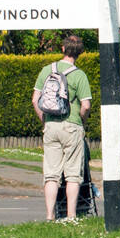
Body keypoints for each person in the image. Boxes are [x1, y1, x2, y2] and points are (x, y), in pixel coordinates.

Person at [33, 35, 92, 221]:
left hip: (51, 125)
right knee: (73, 174)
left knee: (51, 174)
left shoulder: (46, 70)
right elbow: (86, 105)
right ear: (80, 53)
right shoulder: (79, 75)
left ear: (62, 49)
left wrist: (44, 120)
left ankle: (50, 216)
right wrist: (82, 121)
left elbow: (35, 100)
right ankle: (71, 216)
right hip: (72, 126)